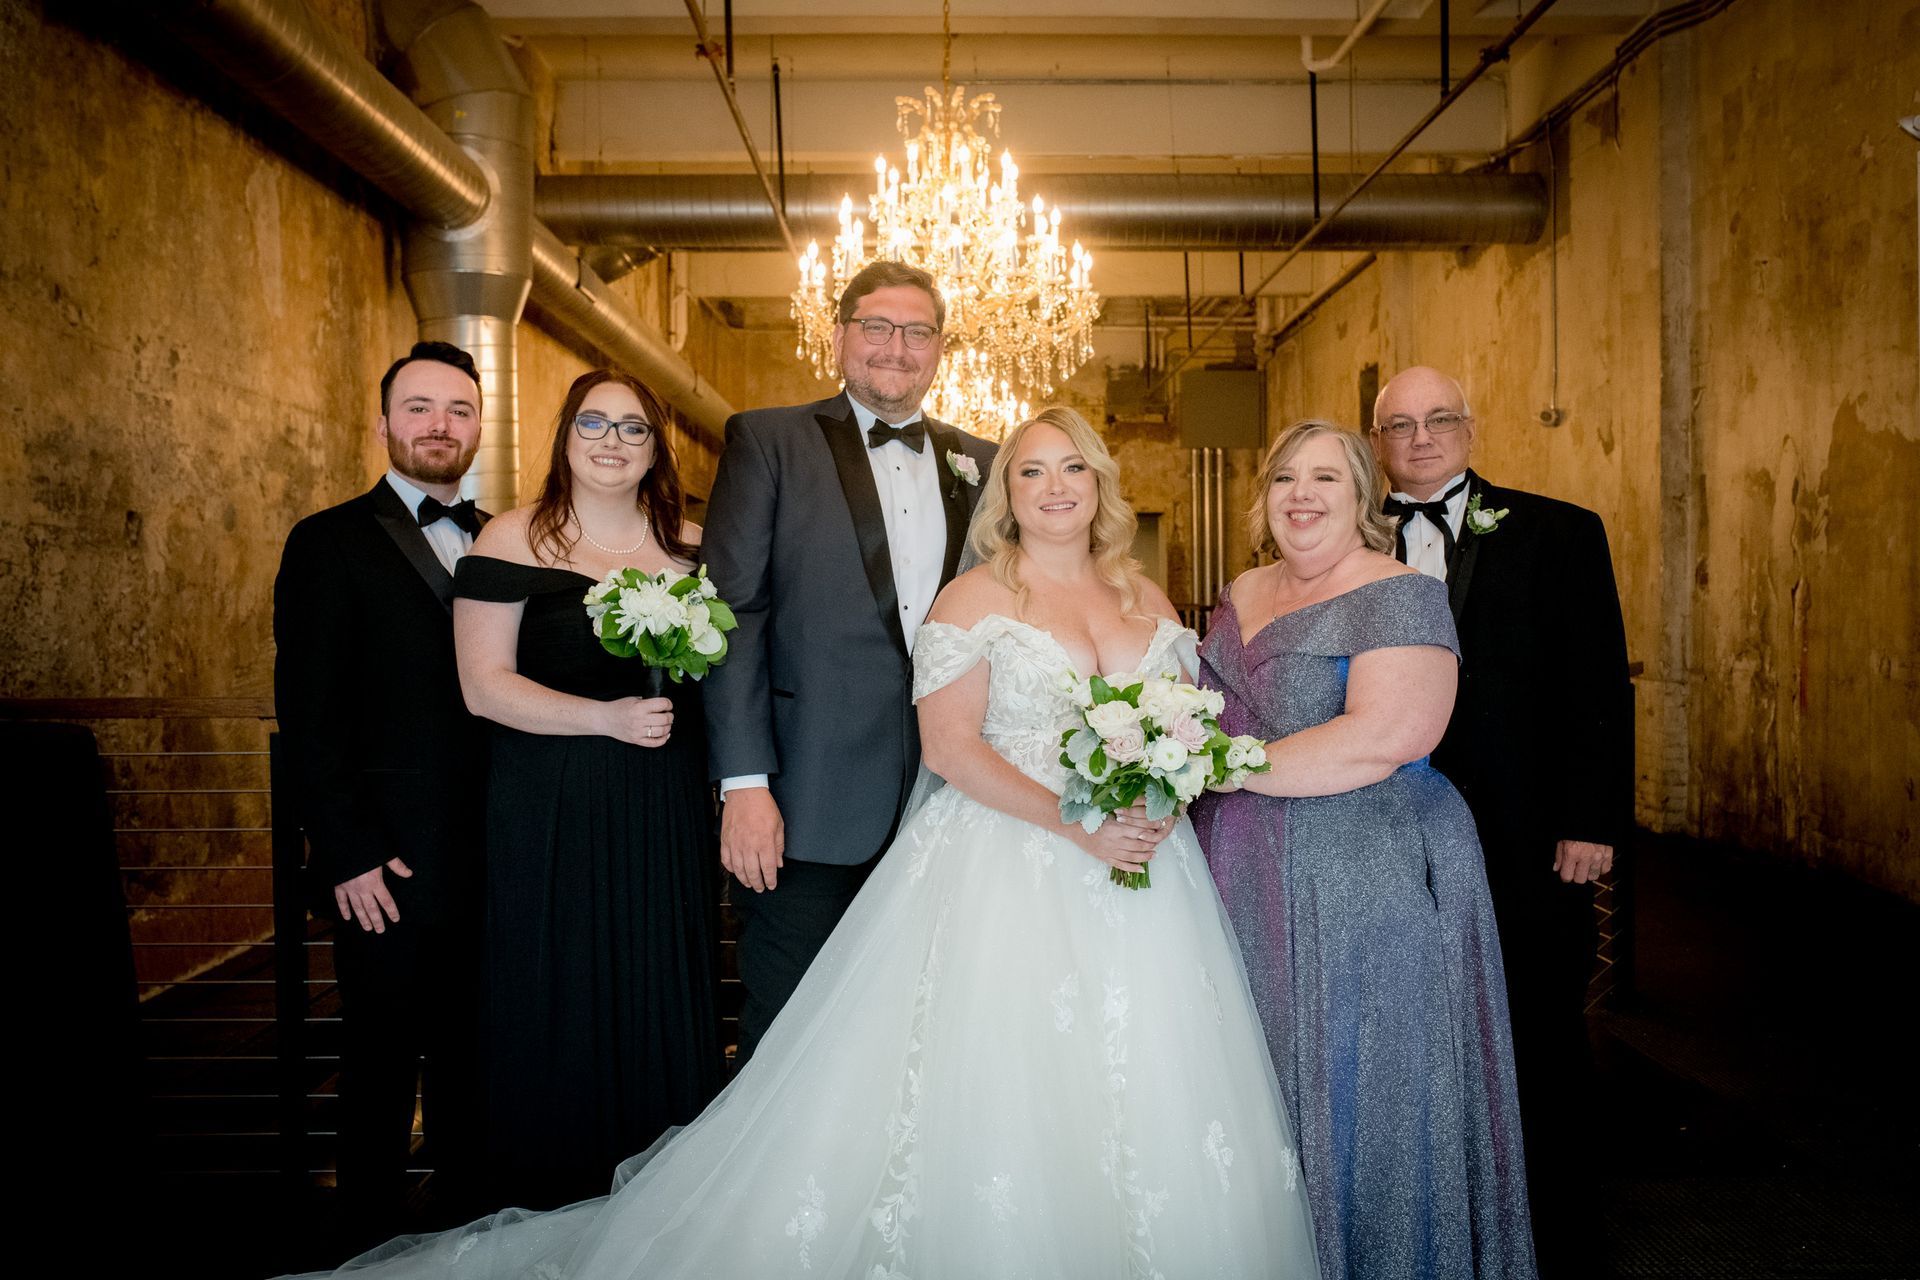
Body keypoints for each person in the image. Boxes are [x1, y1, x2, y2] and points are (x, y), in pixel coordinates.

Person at [288, 408, 1321, 1279]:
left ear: (1101, 483)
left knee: (1144, 1078)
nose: (1056, 487)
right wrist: (1077, 825)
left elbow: (1183, 724)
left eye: (1073, 469)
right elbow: (951, 748)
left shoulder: (1148, 598)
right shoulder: (974, 596)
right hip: (1011, 859)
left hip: (1146, 874)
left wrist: (1162, 797)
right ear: (1006, 494)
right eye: (1031, 471)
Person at [1189, 420, 1535, 1280]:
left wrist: (1218, 768)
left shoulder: (1401, 593)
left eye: (1325, 479)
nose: (1301, 496)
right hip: (1241, 872)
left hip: (1367, 876)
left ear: (1361, 497)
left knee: (1363, 1083)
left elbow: (1388, 735)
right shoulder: (1241, 590)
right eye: (1284, 479)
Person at [1370, 365, 1632, 1277]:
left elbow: (1598, 685)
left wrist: (1591, 821)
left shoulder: (1559, 532)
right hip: (1384, 835)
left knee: (1540, 1037)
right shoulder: (1346, 536)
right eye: (1400, 424)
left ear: (1470, 429)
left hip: (1526, 839)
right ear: (1377, 442)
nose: (1421, 438)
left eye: (1439, 419)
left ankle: (1558, 1240)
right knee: (1412, 1038)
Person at [702, 260, 996, 1062]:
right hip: (805, 800)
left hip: (949, 803)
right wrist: (744, 785)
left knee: (926, 1033)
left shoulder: (985, 461)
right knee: (790, 1036)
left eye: (917, 331)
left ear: (940, 349)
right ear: (838, 336)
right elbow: (733, 616)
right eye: (876, 326)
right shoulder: (768, 441)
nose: (896, 347)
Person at [452, 370, 722, 1209]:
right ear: (566, 434)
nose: (612, 441)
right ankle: (557, 1195)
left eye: (633, 428)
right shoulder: (511, 538)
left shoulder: (695, 547)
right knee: (560, 987)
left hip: (665, 805)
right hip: (552, 804)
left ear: (655, 449)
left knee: (658, 981)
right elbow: (483, 688)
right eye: (594, 423)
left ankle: (662, 1203)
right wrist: (603, 720)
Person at [273, 340, 489, 1236]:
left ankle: (472, 1232)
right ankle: (365, 1239)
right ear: (383, 424)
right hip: (386, 865)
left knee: (478, 1063)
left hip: (494, 855)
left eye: (459, 410)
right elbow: (309, 716)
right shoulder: (327, 542)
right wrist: (348, 852)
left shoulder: (505, 538)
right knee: (380, 1062)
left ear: (478, 427)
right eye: (420, 408)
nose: (440, 424)